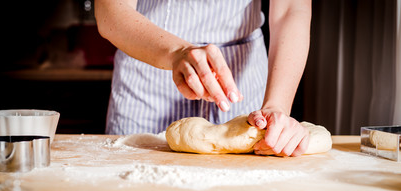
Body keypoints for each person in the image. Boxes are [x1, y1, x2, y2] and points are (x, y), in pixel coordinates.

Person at [95, 0, 312, 157]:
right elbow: (110, 10)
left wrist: (276, 105)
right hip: (148, 76)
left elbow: (291, 9)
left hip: (242, 85)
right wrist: (177, 51)